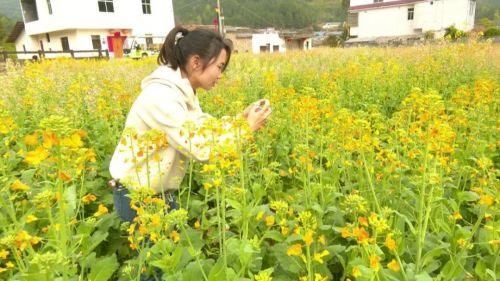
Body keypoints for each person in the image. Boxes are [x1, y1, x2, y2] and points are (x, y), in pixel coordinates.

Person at [109, 26, 272, 223]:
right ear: (196, 62)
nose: (220, 75)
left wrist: (240, 120)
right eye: (219, 67)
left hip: (158, 193)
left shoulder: (181, 91)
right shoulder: (161, 96)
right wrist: (247, 129)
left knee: (171, 248)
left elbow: (203, 129)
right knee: (156, 251)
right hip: (136, 197)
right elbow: (201, 148)